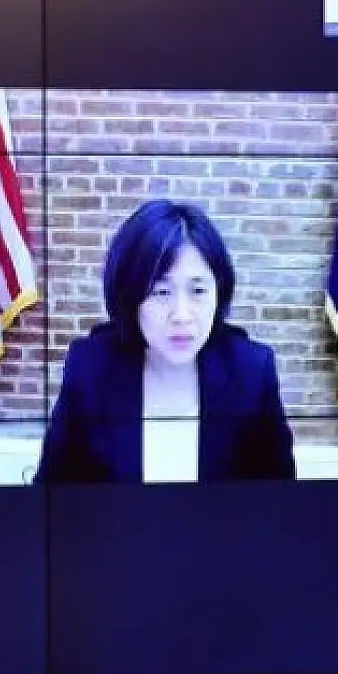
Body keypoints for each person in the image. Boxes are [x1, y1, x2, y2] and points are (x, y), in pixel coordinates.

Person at [34, 200, 296, 484]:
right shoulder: (89, 369)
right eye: (161, 292)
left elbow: (280, 499)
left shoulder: (252, 372)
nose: (181, 316)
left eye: (198, 290)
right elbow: (50, 495)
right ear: (130, 296)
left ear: (219, 292)